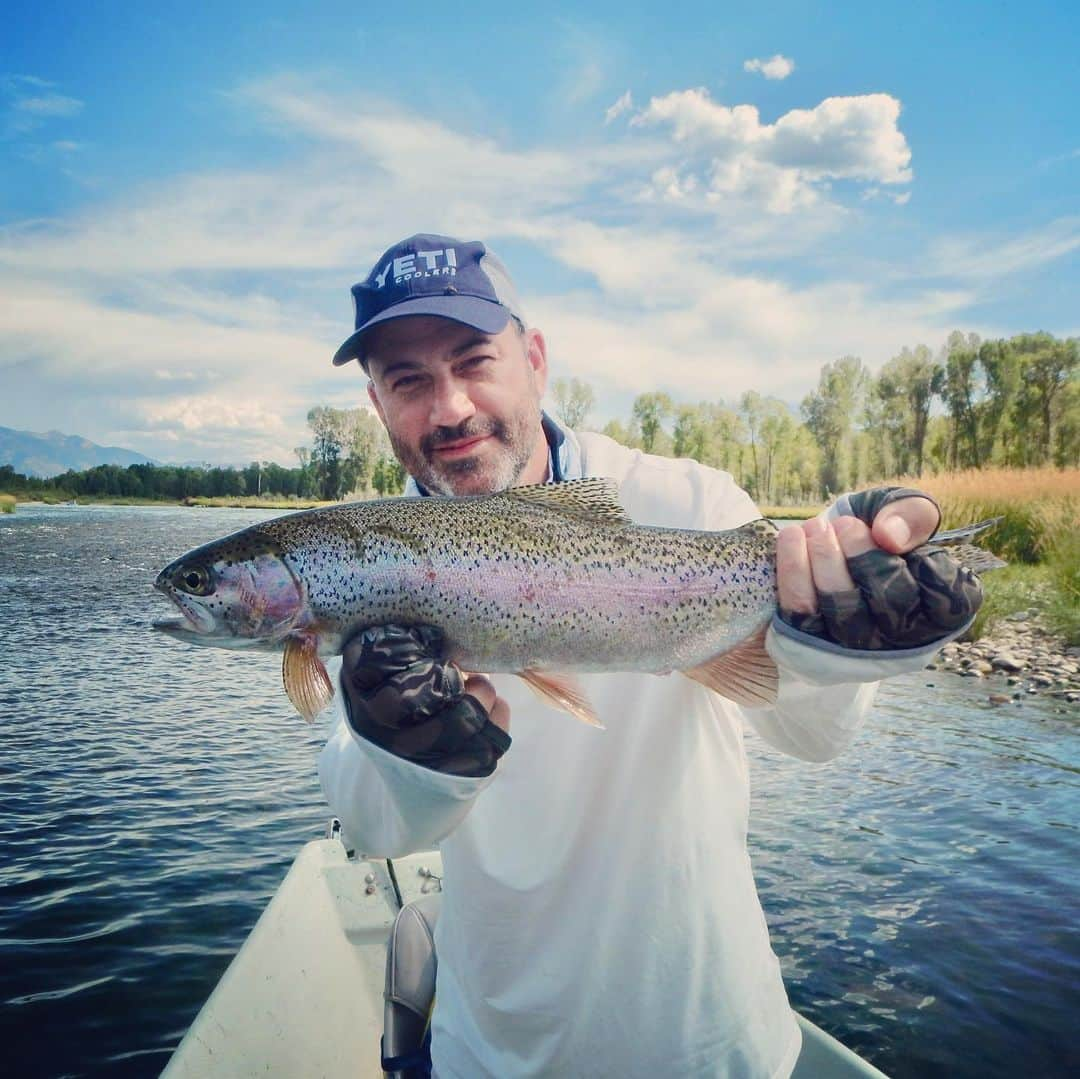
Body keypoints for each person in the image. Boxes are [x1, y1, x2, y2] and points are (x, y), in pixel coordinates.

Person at [319, 234, 982, 1078]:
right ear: (378, 404)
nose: (449, 407)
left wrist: (843, 635)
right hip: (492, 1054)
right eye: (408, 380)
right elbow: (373, 824)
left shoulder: (690, 503)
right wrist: (415, 759)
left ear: (534, 360)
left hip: (712, 1045)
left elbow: (815, 735)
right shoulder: (361, 560)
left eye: (474, 360)